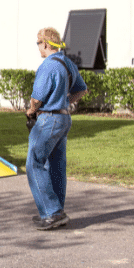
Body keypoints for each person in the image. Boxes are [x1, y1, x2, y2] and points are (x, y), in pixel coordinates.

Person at [25, 27, 87, 231]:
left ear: (45, 43)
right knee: (57, 165)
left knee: (34, 163)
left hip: (48, 120)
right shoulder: (67, 63)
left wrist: (31, 109)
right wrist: (65, 102)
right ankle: (57, 210)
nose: (38, 48)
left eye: (38, 43)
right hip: (64, 118)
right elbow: (81, 90)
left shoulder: (48, 66)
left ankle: (51, 212)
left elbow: (37, 98)